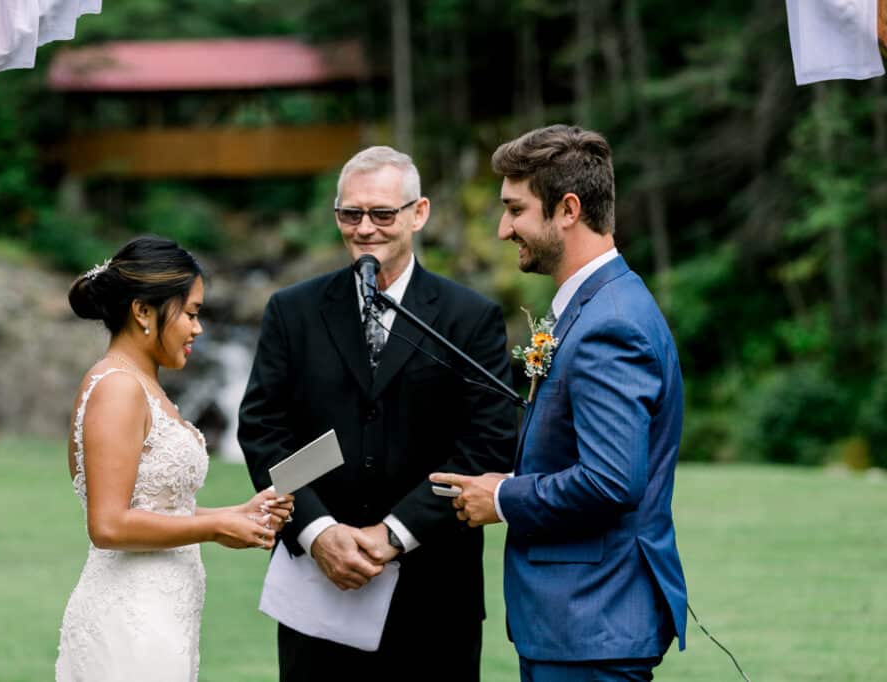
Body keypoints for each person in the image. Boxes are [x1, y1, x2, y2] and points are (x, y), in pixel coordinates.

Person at [238, 146, 517, 681]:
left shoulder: (470, 317)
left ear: (419, 213)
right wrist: (318, 531)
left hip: (435, 595)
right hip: (317, 593)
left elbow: (488, 443)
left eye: (383, 214)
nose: (365, 228)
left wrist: (393, 534)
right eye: (351, 214)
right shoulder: (292, 311)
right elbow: (263, 430)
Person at [431, 125, 688, 681]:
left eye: (515, 210)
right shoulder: (595, 305)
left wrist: (503, 498)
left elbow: (611, 480)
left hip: (591, 620)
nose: (503, 229)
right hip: (576, 623)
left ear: (568, 209)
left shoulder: (611, 325)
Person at [55, 235, 294, 682]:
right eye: (190, 313)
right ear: (143, 311)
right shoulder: (118, 388)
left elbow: (153, 505)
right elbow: (108, 525)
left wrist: (233, 515)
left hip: (164, 614)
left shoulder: (142, 385)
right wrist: (214, 528)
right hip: (131, 621)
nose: (197, 329)